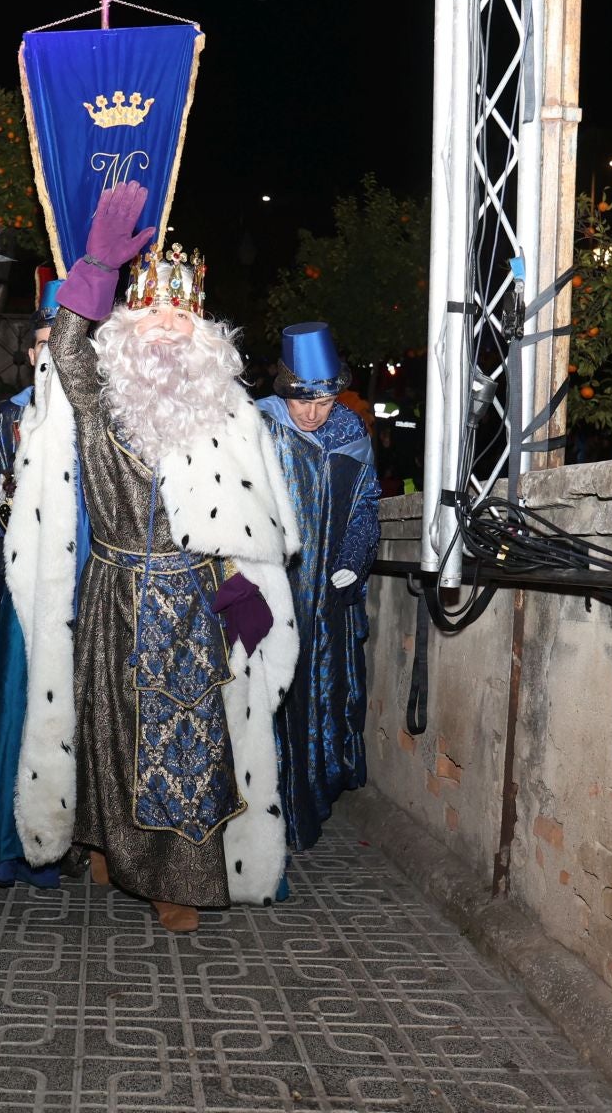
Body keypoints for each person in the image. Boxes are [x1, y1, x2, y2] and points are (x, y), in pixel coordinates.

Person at [8, 182, 300, 933]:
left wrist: (253, 592)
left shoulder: (229, 413)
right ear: (130, 326)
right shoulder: (102, 400)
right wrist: (95, 271)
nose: (169, 329)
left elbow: (261, 518)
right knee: (108, 731)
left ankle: (181, 880)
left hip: (192, 599)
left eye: (183, 315)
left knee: (186, 744)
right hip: (113, 586)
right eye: (154, 314)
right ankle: (109, 849)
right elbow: (67, 348)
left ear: (205, 334)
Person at [0, 278, 85, 886]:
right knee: (13, 710)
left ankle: (81, 843)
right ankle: (5, 845)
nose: (48, 356)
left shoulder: (99, 428)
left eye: (62, 345)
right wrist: (12, 508)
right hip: (18, 589)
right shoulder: (7, 419)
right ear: (30, 353)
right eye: (40, 345)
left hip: (86, 593)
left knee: (84, 714)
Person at [257, 323, 381, 853]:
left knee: (312, 700)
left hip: (323, 595)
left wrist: (352, 563)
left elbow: (366, 506)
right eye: (302, 401)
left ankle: (299, 811)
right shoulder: (254, 425)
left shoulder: (349, 432)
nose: (312, 414)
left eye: (324, 401)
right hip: (264, 590)